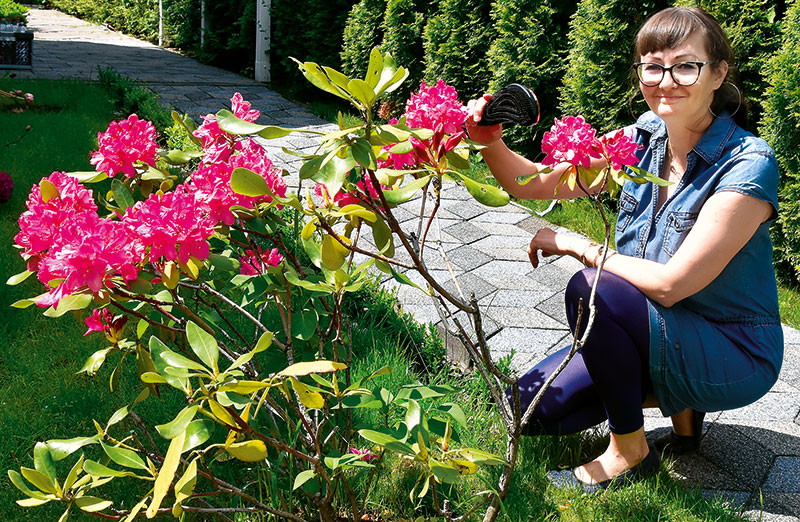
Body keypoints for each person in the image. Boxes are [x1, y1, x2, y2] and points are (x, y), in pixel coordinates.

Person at [466, 6, 783, 490]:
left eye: (686, 66)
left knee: (594, 289)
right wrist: (486, 138)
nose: (666, 80)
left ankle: (628, 451)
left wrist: (575, 244)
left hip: (733, 350)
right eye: (652, 66)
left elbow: (674, 286)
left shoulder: (748, 164)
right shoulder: (640, 140)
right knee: (529, 409)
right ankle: (681, 411)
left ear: (718, 73)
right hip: (658, 325)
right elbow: (531, 184)